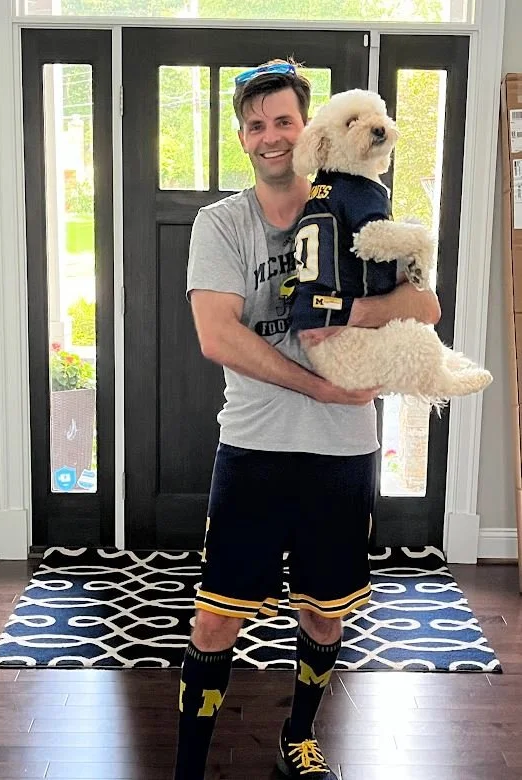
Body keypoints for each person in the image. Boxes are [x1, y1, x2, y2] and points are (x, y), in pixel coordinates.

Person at [174, 60, 440, 780]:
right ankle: (189, 766)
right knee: (216, 619)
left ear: (308, 128)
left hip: (345, 451)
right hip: (254, 447)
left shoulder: (365, 208)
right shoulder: (222, 223)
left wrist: (339, 310)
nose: (270, 137)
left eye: (283, 120)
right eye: (255, 125)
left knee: (326, 613)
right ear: (242, 137)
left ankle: (299, 738)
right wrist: (317, 387)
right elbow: (217, 336)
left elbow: (426, 309)